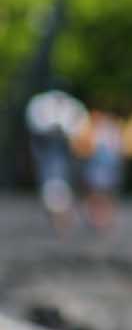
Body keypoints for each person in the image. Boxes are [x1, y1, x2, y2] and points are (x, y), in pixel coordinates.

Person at [24, 89, 87, 233]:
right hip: (49, 152)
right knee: (54, 186)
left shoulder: (71, 107)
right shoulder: (41, 105)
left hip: (65, 152)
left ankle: (62, 220)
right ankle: (59, 220)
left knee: (61, 186)